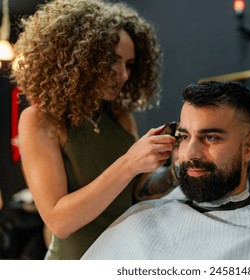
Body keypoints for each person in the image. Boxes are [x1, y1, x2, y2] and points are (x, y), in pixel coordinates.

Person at [81, 81, 250, 260]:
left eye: (210, 137)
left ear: (249, 147)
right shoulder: (139, 220)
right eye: (185, 136)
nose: (191, 153)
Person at [11, 0, 177, 260]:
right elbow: (59, 222)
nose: (122, 74)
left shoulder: (120, 116)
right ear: (82, 56)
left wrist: (178, 168)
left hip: (124, 258)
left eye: (129, 64)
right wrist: (129, 162)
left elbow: (136, 192)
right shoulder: (40, 120)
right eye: (112, 60)